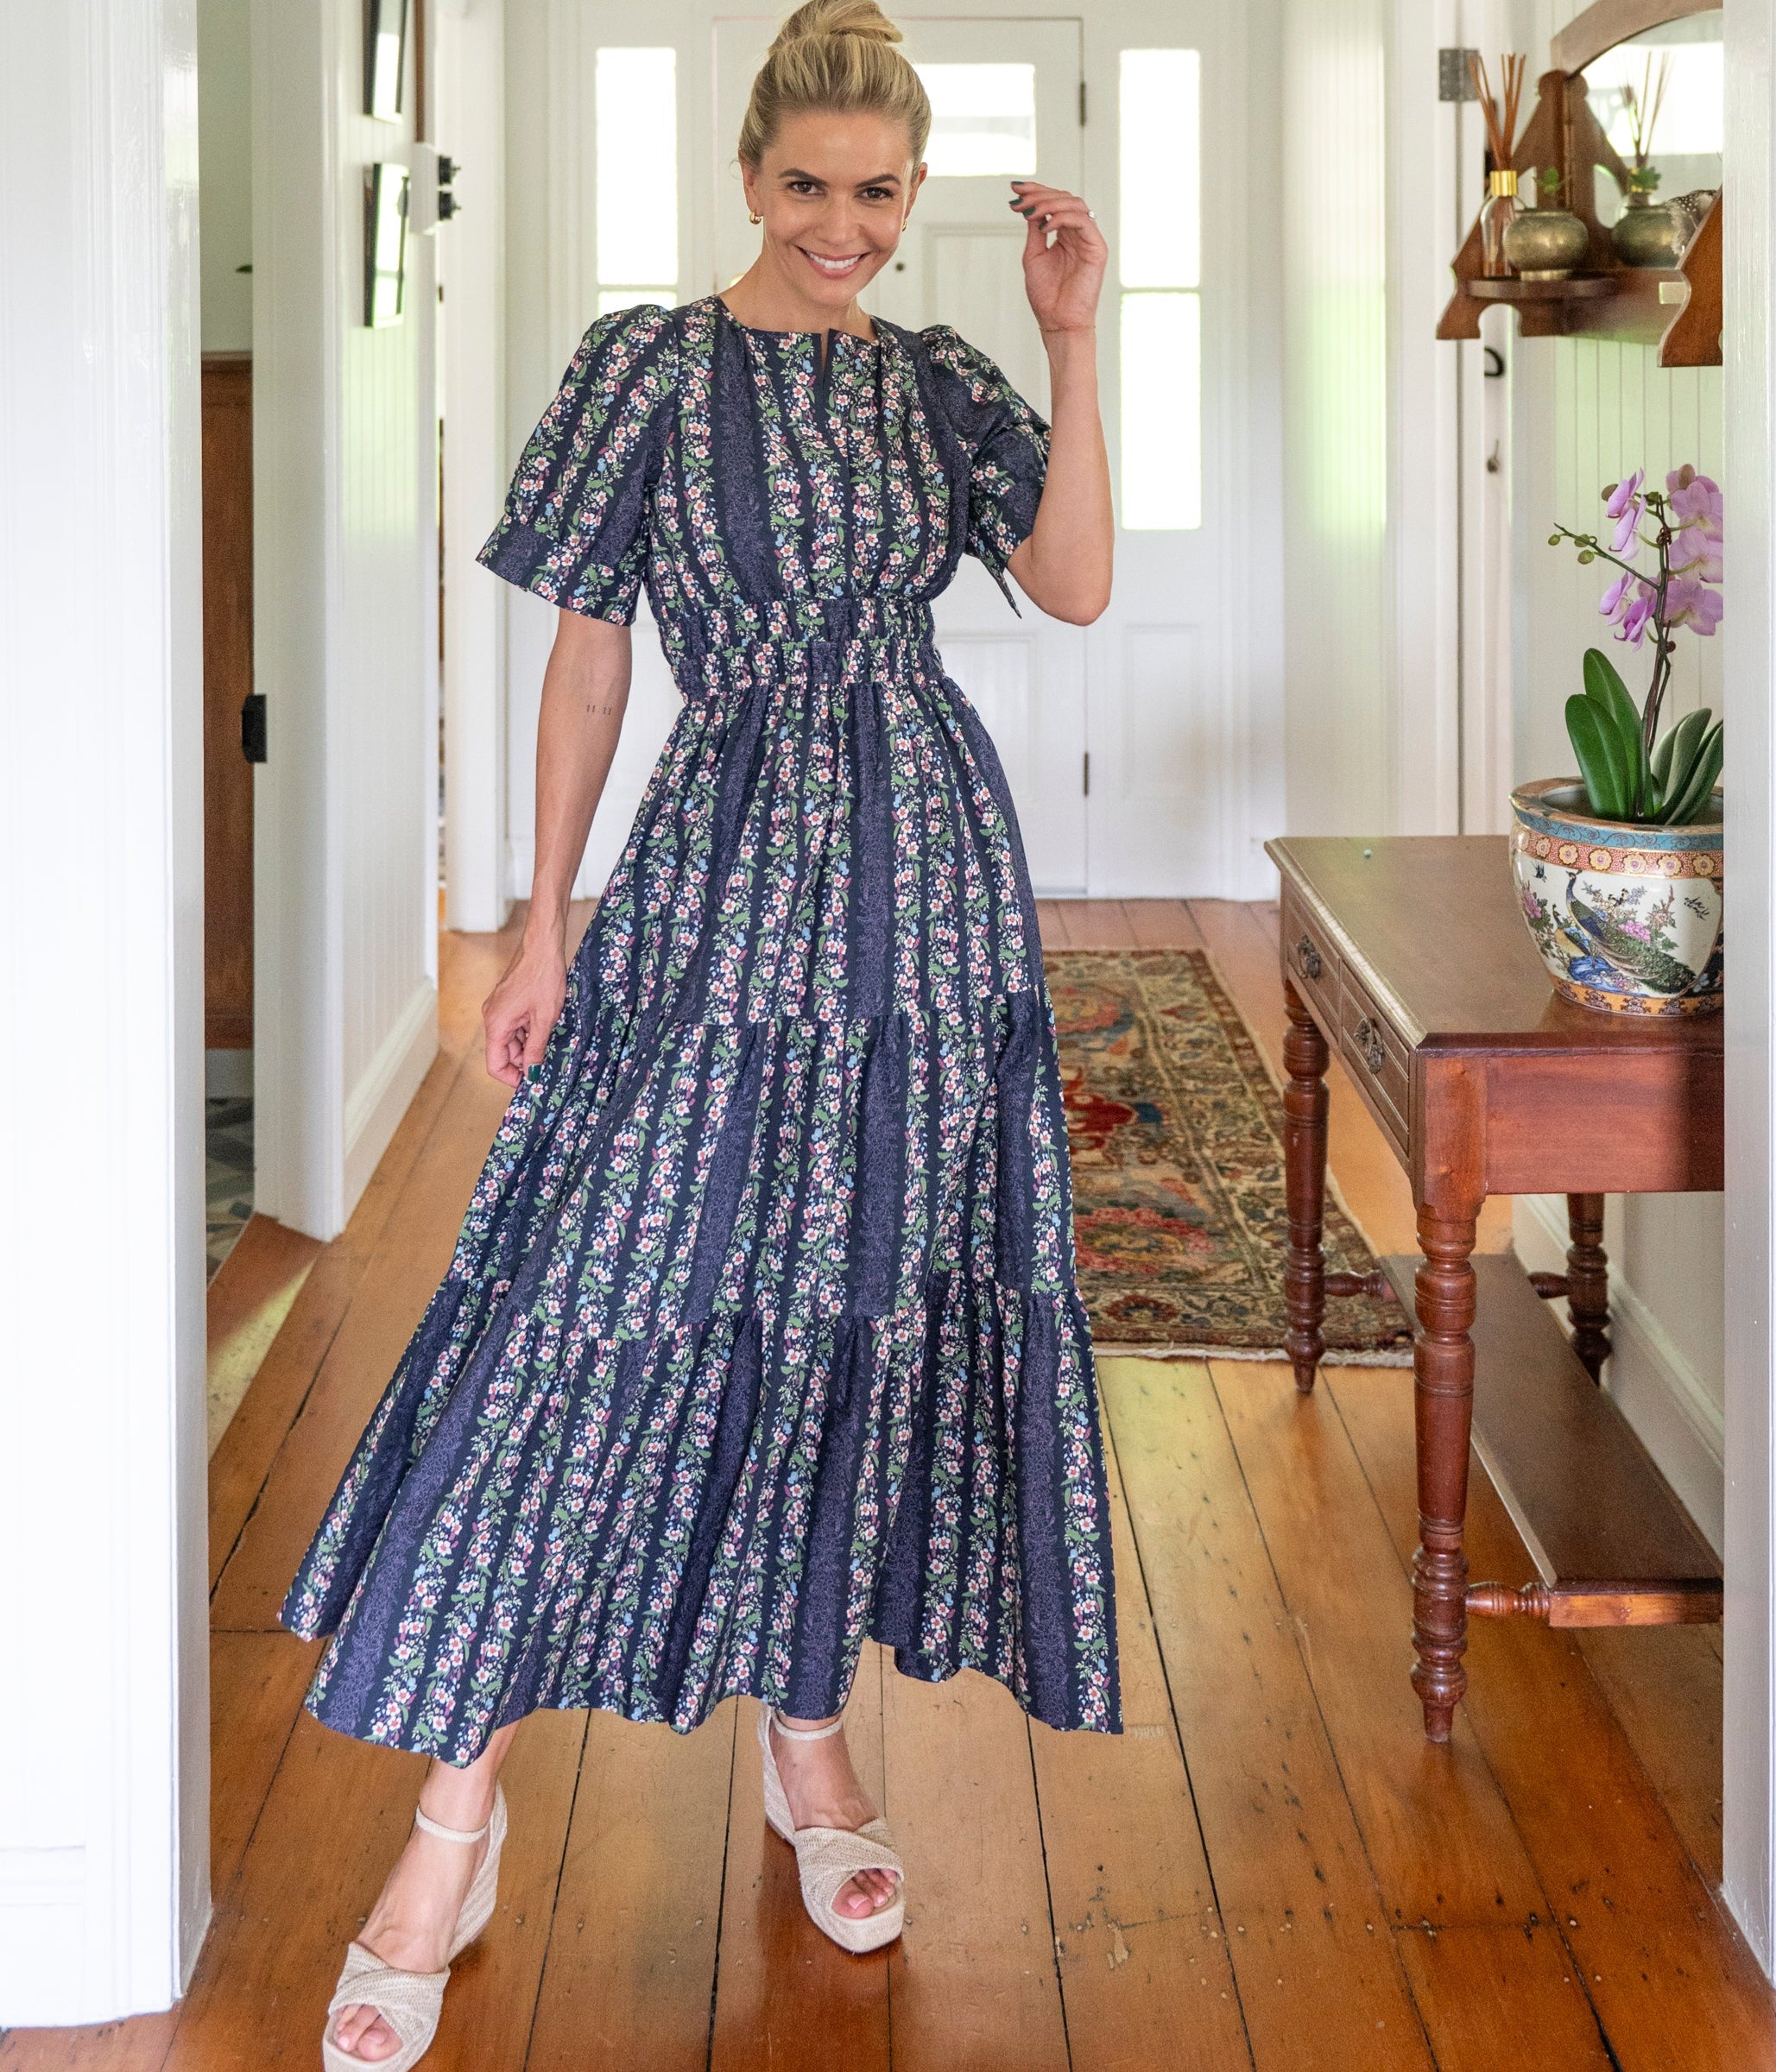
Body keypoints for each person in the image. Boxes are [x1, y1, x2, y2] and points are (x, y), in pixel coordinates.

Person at [290, 3, 1120, 2062]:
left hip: (922, 883)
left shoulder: (939, 377)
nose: (843, 225)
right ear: (751, 175)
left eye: (879, 193)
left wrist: (1076, 338)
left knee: (854, 1310)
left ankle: (812, 1739)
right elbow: (587, 671)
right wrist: (541, 921)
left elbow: (1078, 586)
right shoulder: (643, 368)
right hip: (714, 872)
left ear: (915, 195)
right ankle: (450, 1822)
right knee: (594, 1301)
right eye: (809, 186)